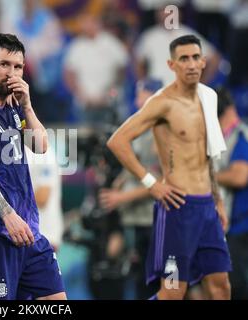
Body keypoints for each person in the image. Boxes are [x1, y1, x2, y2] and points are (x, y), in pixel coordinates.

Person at [107, 34, 232, 300]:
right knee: (174, 292)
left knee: (221, 285)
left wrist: (218, 201)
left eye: (195, 57)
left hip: (207, 207)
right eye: (183, 59)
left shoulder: (209, 97)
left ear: (203, 61)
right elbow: (117, 141)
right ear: (171, 65)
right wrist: (152, 184)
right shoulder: (162, 102)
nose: (191, 64)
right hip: (178, 208)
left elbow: (208, 154)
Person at [0, 33, 66, 300]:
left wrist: (28, 106)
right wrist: (8, 216)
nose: (11, 73)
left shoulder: (15, 105)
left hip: (30, 231)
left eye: (17, 67)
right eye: (4, 64)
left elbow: (40, 146)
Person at [100, 78, 163, 299]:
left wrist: (122, 197)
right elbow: (135, 165)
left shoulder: (161, 129)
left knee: (159, 281)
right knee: (139, 279)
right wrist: (119, 182)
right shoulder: (141, 127)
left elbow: (160, 182)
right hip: (137, 218)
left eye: (142, 94)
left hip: (156, 217)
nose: (137, 100)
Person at [215, 87, 248, 299]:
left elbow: (239, 176)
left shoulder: (241, 135)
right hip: (230, 227)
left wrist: (206, 176)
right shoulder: (227, 138)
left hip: (240, 227)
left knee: (237, 287)